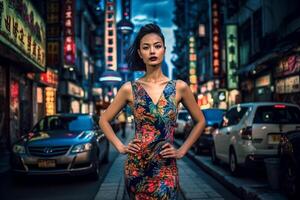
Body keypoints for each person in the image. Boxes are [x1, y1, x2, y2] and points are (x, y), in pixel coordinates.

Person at [99, 23, 206, 200]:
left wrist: (181, 151)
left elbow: (201, 121)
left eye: (157, 46)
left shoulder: (179, 87)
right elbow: (104, 120)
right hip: (136, 168)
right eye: (146, 48)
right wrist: (121, 146)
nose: (152, 51)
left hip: (166, 168)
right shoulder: (129, 88)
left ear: (164, 49)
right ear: (140, 53)